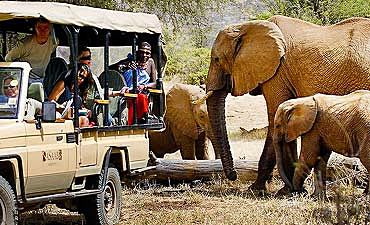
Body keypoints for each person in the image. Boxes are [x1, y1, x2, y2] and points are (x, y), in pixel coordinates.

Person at [5, 17, 58, 84]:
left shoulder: (54, 42)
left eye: (46, 27)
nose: (43, 31)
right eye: (39, 27)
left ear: (50, 28)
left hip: (41, 79)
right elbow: (8, 58)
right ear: (35, 28)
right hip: (24, 78)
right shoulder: (25, 44)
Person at [48, 63, 93, 127]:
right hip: (60, 115)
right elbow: (50, 104)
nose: (80, 79)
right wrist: (62, 109)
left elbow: (80, 106)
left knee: (84, 120)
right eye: (80, 75)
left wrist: (86, 111)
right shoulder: (63, 84)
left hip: (73, 117)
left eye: (83, 78)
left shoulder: (79, 91)